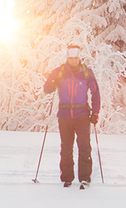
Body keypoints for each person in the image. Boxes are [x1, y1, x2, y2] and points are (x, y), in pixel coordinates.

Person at [42, 44, 101, 188]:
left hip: (82, 115)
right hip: (64, 115)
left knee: (84, 147)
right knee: (66, 148)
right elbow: (47, 89)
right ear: (67, 58)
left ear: (79, 57)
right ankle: (67, 178)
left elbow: (95, 93)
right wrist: (53, 82)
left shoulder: (87, 73)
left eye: (76, 58)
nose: (74, 60)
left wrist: (95, 112)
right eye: (71, 58)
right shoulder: (59, 72)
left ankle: (84, 178)